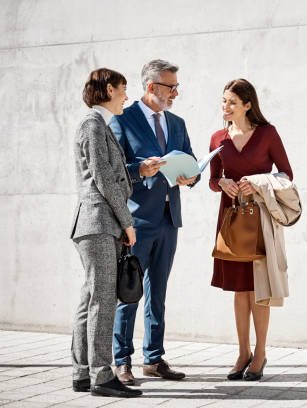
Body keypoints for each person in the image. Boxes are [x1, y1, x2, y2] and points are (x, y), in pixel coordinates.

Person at [109, 59, 198, 384]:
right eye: (170, 86)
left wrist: (192, 177)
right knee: (129, 292)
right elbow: (114, 171)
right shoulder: (124, 119)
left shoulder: (176, 122)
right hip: (135, 221)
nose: (176, 92)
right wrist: (139, 170)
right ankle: (121, 361)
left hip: (168, 219)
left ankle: (154, 358)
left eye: (176, 86)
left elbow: (189, 160)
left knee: (157, 292)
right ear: (151, 87)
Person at [209, 78, 293, 381]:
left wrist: (257, 181)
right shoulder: (218, 138)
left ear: (247, 104)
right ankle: (242, 352)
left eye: (232, 101)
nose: (225, 106)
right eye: (223, 101)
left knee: (260, 290)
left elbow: (286, 174)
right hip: (231, 219)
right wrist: (222, 182)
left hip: (260, 220)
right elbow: (211, 179)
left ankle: (260, 353)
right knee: (239, 289)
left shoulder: (268, 134)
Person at [70, 68, 142, 398]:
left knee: (90, 298)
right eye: (124, 89)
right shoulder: (93, 124)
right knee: (102, 300)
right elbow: (101, 178)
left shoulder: (101, 126)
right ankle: (102, 374)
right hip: (99, 222)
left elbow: (110, 175)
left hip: (97, 222)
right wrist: (128, 222)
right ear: (109, 89)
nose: (127, 96)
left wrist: (139, 172)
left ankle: (82, 373)